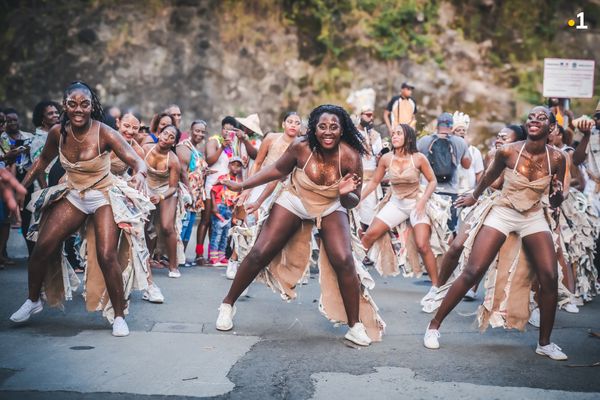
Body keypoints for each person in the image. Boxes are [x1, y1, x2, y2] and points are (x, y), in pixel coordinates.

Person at [215, 104, 385, 347]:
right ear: (314, 129)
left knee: (344, 259)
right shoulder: (301, 147)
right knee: (261, 252)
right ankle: (227, 304)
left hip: (331, 204)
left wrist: (346, 194)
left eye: (334, 127)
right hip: (296, 198)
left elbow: (351, 201)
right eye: (322, 126)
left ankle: (354, 326)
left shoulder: (350, 156)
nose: (328, 132)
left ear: (342, 129)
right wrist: (243, 186)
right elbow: (275, 170)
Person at [424, 106, 568, 361]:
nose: (534, 120)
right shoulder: (508, 151)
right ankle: (434, 326)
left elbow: (555, 198)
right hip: (504, 210)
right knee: (473, 270)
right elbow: (490, 175)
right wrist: (474, 196)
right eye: (531, 117)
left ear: (551, 128)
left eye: (541, 118)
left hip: (533, 215)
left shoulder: (557, 158)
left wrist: (557, 198)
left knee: (549, 276)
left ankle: (544, 342)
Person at [9, 81, 152, 337]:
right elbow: (42, 161)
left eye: (84, 104)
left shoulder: (105, 132)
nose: (78, 110)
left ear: (92, 106)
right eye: (72, 104)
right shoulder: (57, 132)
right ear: (65, 105)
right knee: (42, 247)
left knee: (106, 254)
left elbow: (137, 160)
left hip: (103, 195)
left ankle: (119, 315)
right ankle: (33, 300)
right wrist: (21, 186)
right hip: (75, 194)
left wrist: (140, 175)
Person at [360, 124, 444, 304]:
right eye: (393, 133)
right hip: (396, 202)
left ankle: (436, 288)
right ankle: (354, 275)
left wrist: (422, 202)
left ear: (408, 137)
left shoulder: (419, 158)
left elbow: (432, 181)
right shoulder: (386, 158)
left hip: (416, 202)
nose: (394, 136)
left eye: (399, 133)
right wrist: (358, 199)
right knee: (369, 236)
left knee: (422, 244)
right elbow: (374, 182)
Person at [226, 112, 301, 278]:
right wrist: (247, 189)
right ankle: (234, 260)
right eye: (290, 121)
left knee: (271, 228)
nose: (293, 125)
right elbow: (258, 163)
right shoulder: (272, 138)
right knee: (248, 222)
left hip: (284, 188)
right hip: (262, 183)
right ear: (283, 124)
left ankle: (263, 265)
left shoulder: (300, 144)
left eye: (297, 122)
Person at [417, 112, 471, 232]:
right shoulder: (460, 142)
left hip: (428, 192)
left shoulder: (424, 141)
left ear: (437, 126)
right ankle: (446, 250)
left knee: (428, 228)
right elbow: (467, 165)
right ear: (452, 127)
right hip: (450, 193)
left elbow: (414, 162)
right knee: (449, 229)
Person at [144, 124, 185, 278]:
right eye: (165, 133)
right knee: (145, 226)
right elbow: (138, 170)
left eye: (171, 137)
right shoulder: (145, 148)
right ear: (159, 134)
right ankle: (145, 261)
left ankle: (173, 266)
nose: (166, 137)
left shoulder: (173, 160)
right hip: (147, 185)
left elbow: (173, 187)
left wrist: (160, 197)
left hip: (165, 189)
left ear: (173, 143)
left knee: (167, 226)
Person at [197, 117, 236, 264]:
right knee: (206, 220)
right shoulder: (215, 141)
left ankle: (214, 255)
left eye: (231, 130)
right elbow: (210, 160)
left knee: (219, 223)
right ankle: (199, 254)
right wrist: (222, 147)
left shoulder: (233, 146)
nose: (228, 132)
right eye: (226, 128)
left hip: (225, 190)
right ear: (221, 129)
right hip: (211, 186)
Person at [1, 108, 39, 254]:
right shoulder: (2, 138)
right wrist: (9, 153)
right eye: (8, 121)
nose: (12, 123)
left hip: (25, 176)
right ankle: (2, 253)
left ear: (19, 121)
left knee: (26, 213)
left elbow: (37, 159)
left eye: (14, 120)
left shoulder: (29, 137)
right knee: (4, 215)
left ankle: (32, 250)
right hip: (7, 176)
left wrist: (29, 150)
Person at [176, 120, 208, 258]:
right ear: (190, 131)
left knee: (188, 228)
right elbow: (183, 171)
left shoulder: (197, 150)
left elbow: (195, 169)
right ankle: (176, 256)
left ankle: (182, 256)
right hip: (187, 194)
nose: (200, 134)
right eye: (197, 130)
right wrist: (190, 193)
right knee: (183, 224)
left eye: (202, 132)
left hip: (196, 194)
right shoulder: (184, 147)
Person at [209, 157, 242, 265]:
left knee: (225, 234)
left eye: (238, 166)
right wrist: (214, 206)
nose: (235, 168)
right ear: (229, 166)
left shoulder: (239, 182)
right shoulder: (223, 178)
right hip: (220, 206)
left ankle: (221, 256)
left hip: (230, 209)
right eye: (233, 165)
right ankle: (213, 257)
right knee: (217, 232)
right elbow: (213, 191)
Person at [452, 111, 484, 195]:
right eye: (458, 130)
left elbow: (479, 173)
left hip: (469, 193)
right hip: (453, 191)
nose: (462, 132)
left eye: (464, 130)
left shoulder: (474, 151)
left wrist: (479, 192)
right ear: (452, 133)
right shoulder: (449, 148)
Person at [31, 100, 61, 165]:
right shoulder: (38, 141)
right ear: (42, 118)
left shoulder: (60, 133)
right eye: (50, 113)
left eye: (56, 112)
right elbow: (39, 166)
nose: (55, 115)